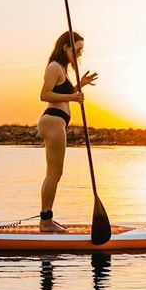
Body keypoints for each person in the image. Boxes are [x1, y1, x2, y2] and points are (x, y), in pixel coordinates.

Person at [36, 31, 98, 232]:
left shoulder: (62, 68)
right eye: (77, 50)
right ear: (66, 47)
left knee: (53, 173)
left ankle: (46, 219)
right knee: (54, 174)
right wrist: (74, 98)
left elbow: (62, 94)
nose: (79, 55)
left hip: (57, 123)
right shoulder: (54, 67)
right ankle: (46, 221)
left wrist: (80, 85)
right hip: (53, 121)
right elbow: (44, 95)